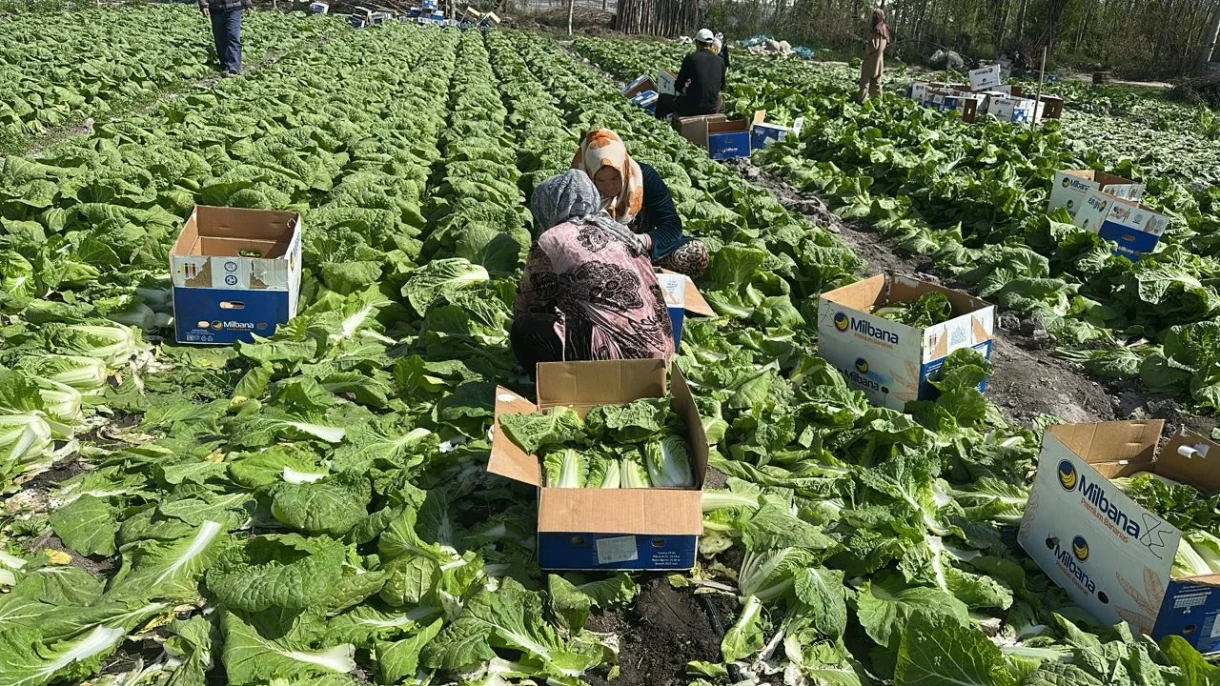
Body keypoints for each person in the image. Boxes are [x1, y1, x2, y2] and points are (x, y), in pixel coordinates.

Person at [511, 171, 674, 374]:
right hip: (661, 358)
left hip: (620, 362)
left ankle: (564, 384)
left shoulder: (552, 239)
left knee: (525, 330)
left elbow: (527, 302)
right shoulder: (619, 231)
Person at [571, 129, 710, 279]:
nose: (610, 187)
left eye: (615, 179)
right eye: (601, 181)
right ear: (591, 176)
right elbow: (565, 233)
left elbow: (671, 224)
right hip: (599, 256)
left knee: (695, 252)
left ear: (624, 169)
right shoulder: (579, 186)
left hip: (642, 250)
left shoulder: (644, 178)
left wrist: (643, 240)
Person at [656, 28, 726, 118]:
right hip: (712, 108)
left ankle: (665, 123)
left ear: (697, 43)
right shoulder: (720, 61)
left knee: (663, 98)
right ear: (712, 44)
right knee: (720, 99)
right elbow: (722, 86)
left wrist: (686, 88)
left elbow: (678, 86)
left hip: (692, 107)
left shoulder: (691, 58)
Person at [200, 0, 253, 77]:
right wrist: (203, 5)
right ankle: (225, 66)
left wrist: (247, 3)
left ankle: (233, 66)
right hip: (216, 9)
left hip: (234, 7)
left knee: (233, 36)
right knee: (220, 38)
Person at [858, 8, 889, 102]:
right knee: (876, 83)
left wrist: (866, 46)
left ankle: (861, 101)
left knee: (865, 82)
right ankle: (877, 102)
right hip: (879, 62)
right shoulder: (884, 30)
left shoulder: (877, 30)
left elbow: (873, 46)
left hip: (871, 61)